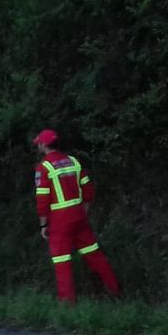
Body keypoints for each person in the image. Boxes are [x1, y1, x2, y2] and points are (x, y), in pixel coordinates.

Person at [32, 129, 120, 304]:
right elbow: (88, 189)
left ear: (43, 145)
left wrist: (43, 225)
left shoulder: (44, 167)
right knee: (95, 255)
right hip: (79, 216)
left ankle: (68, 304)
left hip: (59, 220)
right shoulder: (73, 161)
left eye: (39, 144)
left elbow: (42, 198)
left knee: (62, 262)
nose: (38, 147)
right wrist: (83, 211)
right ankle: (116, 292)